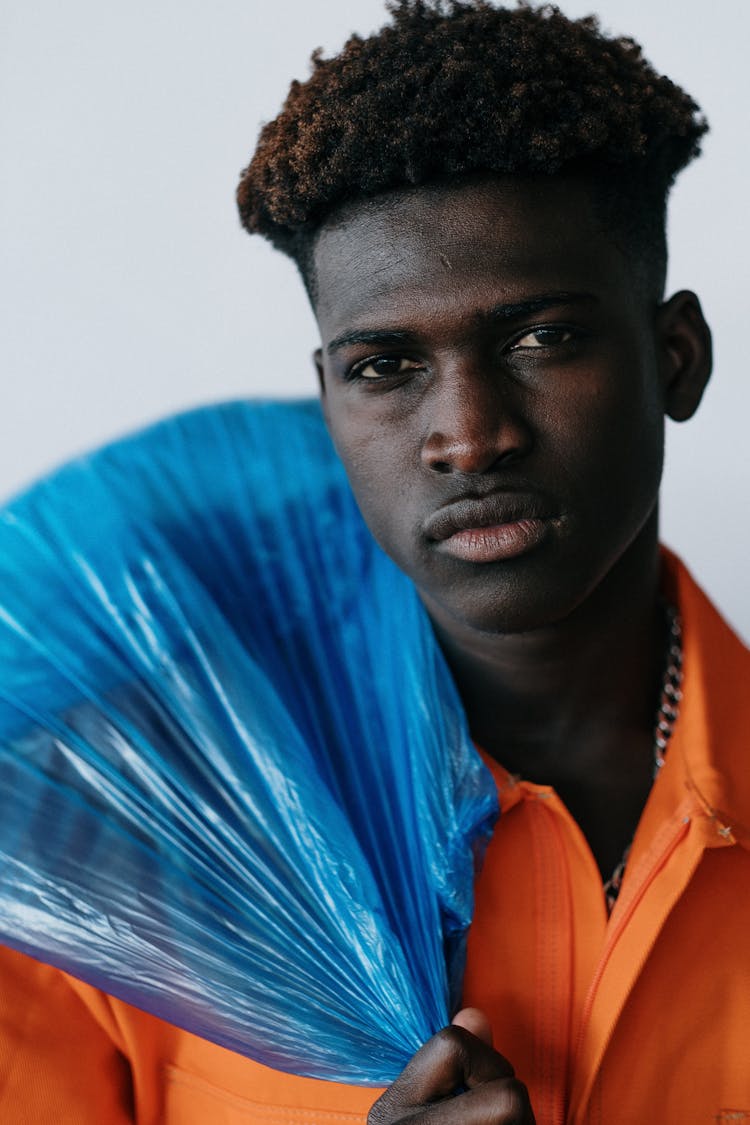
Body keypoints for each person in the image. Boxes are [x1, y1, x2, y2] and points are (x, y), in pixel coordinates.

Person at [0, 2, 747, 1122]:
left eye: (540, 338)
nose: (468, 434)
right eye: (387, 365)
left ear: (675, 358)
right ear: (331, 402)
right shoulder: (130, 830)